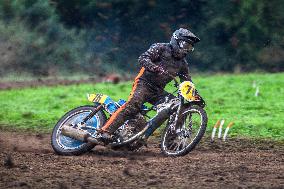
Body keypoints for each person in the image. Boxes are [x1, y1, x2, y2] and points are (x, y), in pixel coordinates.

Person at [98, 28, 200, 144]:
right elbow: (143, 58)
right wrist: (154, 67)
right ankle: (105, 131)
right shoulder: (161, 48)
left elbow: (187, 81)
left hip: (158, 92)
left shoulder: (182, 64)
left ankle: (171, 142)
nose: (186, 50)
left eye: (189, 47)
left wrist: (194, 95)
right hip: (144, 84)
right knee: (133, 105)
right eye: (185, 44)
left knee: (178, 107)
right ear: (176, 40)